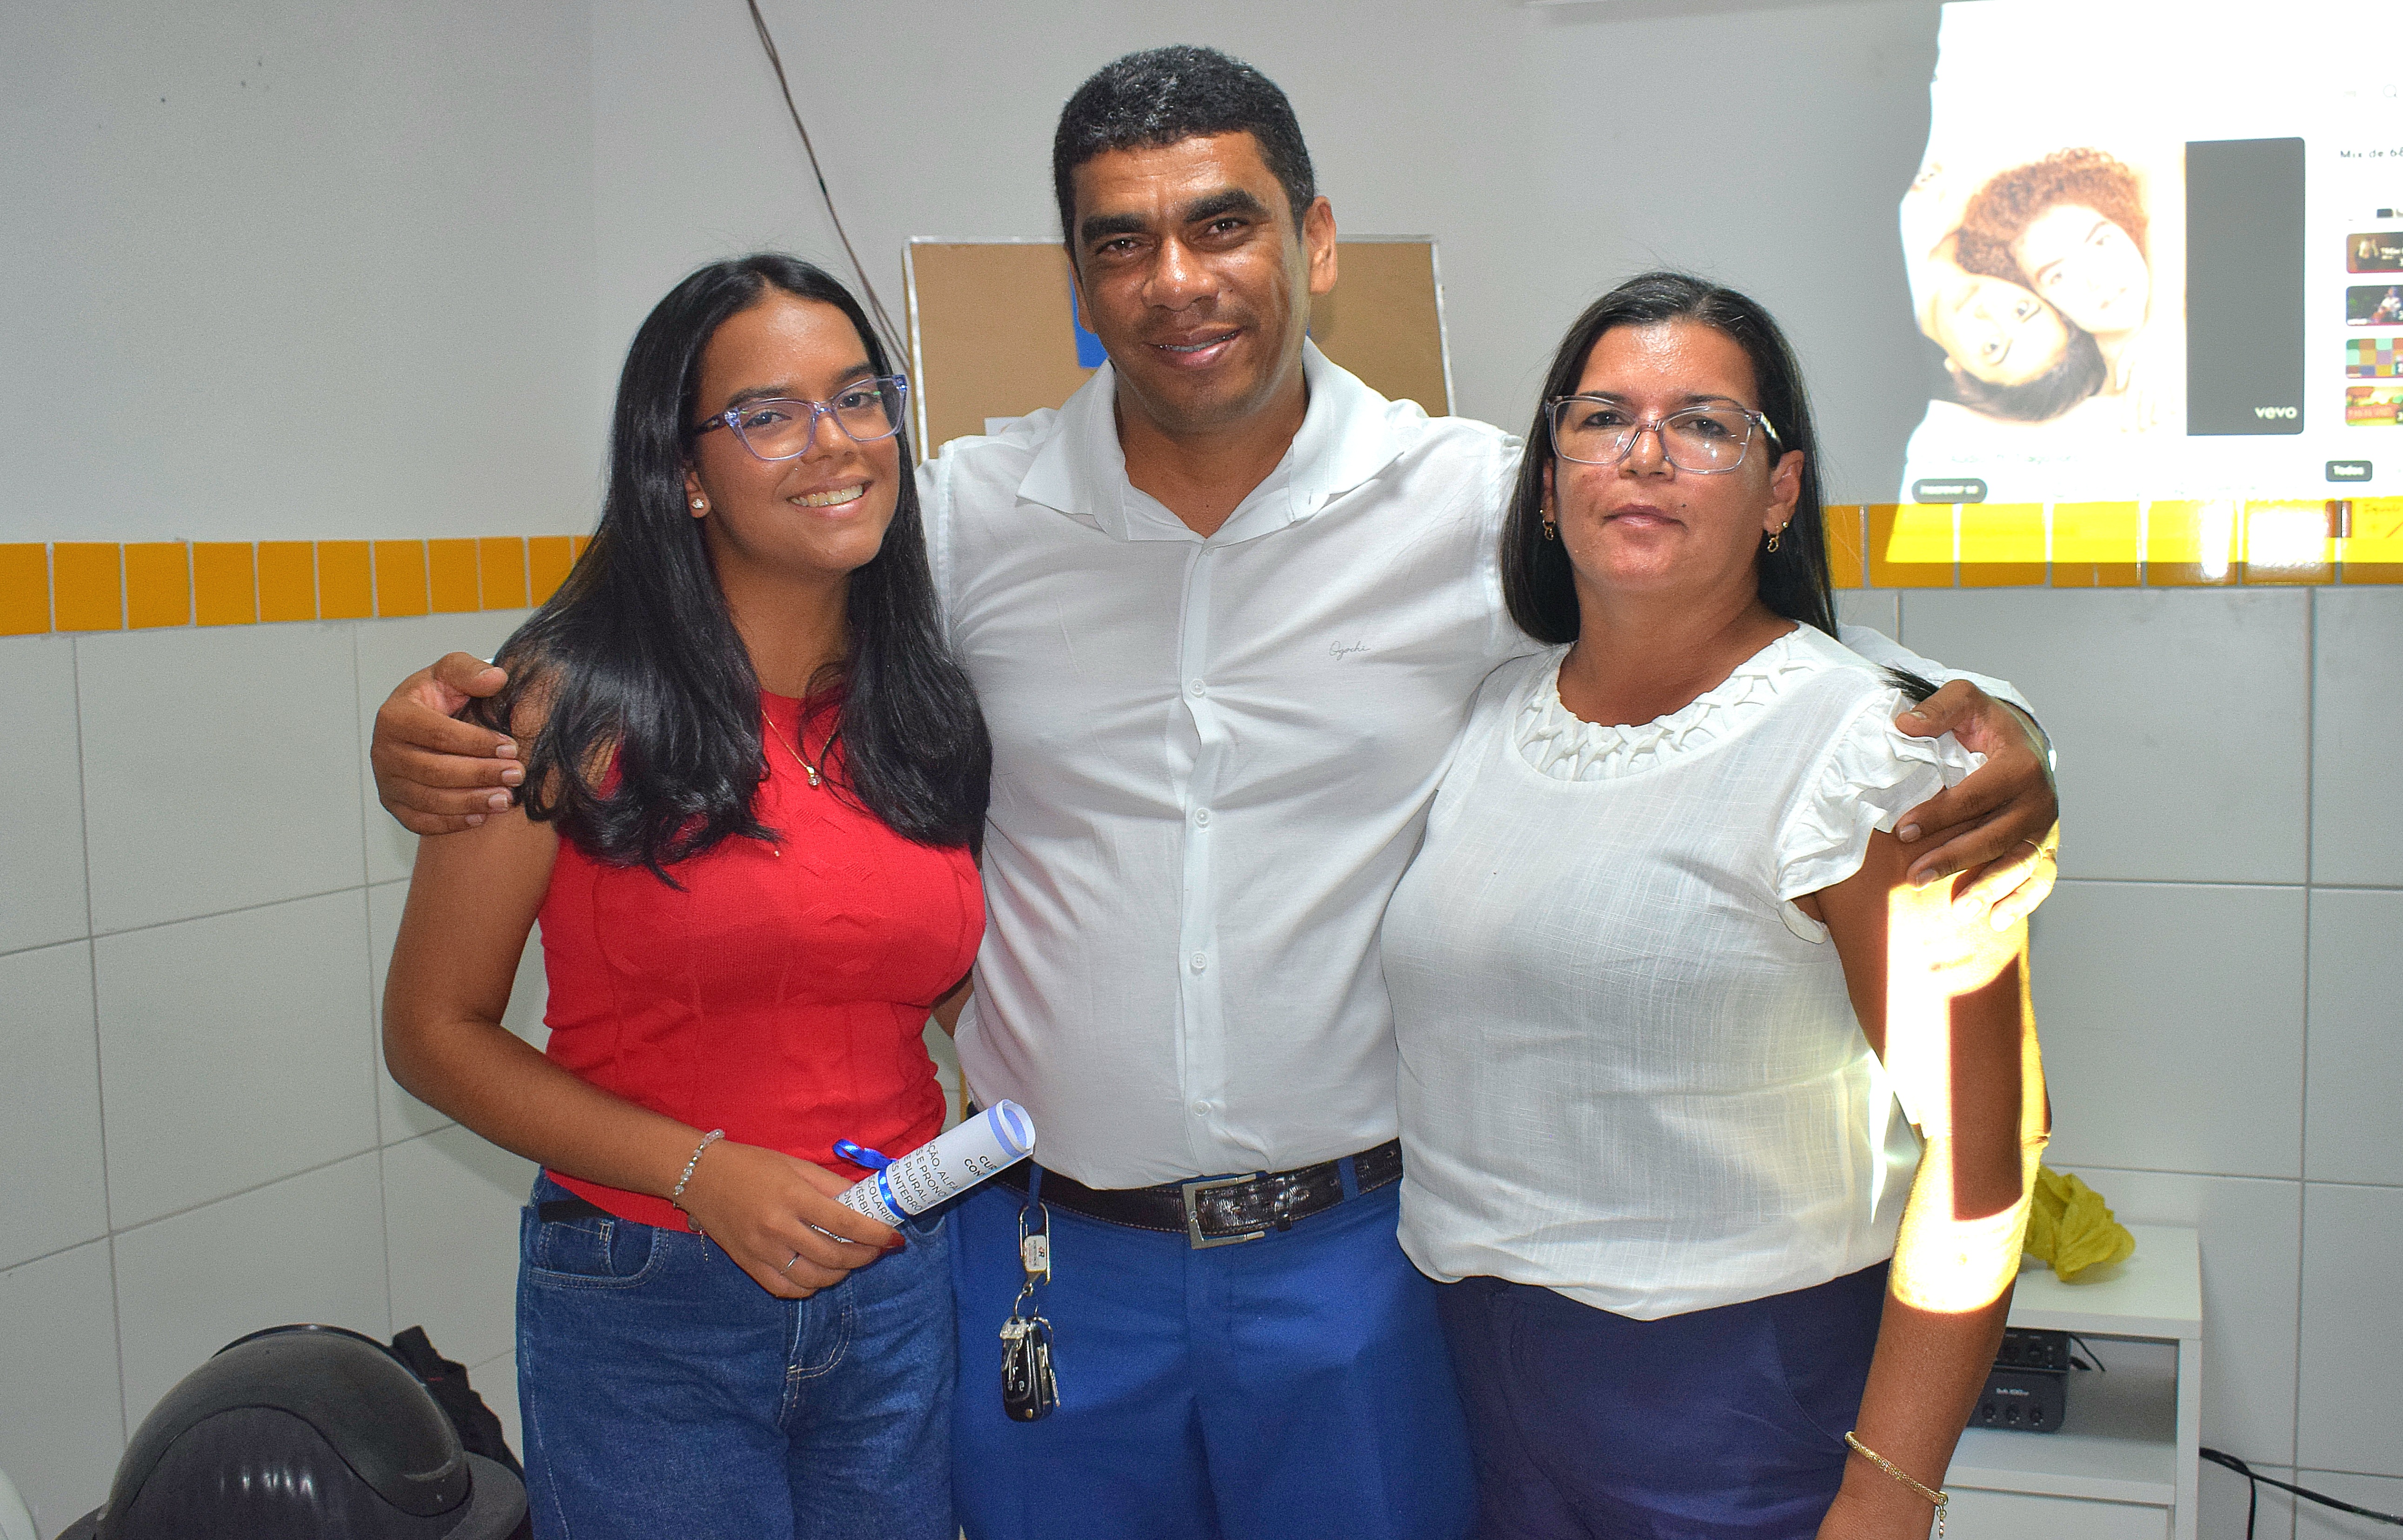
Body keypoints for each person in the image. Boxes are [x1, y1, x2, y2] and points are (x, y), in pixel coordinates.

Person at [366, 48, 2062, 1540]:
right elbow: (720, 623)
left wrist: (1992, 734)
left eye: (1222, 224)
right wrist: (443, 720)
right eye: (1121, 241)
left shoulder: (1467, 507)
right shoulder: (961, 521)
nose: (1175, 279)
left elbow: (1717, 629)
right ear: (1079, 284)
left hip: (1358, 1271)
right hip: (1043, 1264)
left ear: (1312, 244)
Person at [1386, 272, 2048, 1538]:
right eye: (1600, 419)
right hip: (1465, 1379)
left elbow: (1986, 1146)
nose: (1643, 455)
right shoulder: (1484, 718)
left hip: (1736, 1402)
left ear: (1779, 493)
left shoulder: (1867, 756)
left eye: (1702, 424)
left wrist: (1889, 1491)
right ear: (1546, 485)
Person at [381, 254, 991, 1540]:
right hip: (650, 1296)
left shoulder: (919, 705)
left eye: (858, 398)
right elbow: (433, 1032)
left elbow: (930, 981)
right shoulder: (561, 700)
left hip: (896, 1285)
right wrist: (701, 1173)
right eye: (768, 414)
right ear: (684, 473)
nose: (833, 441)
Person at [1901, 160, 2105, 422]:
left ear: (1960, 373)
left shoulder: (1875, 305)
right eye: (2022, 310)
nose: (1988, 311)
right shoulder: (1979, 207)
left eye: (1993, 346)